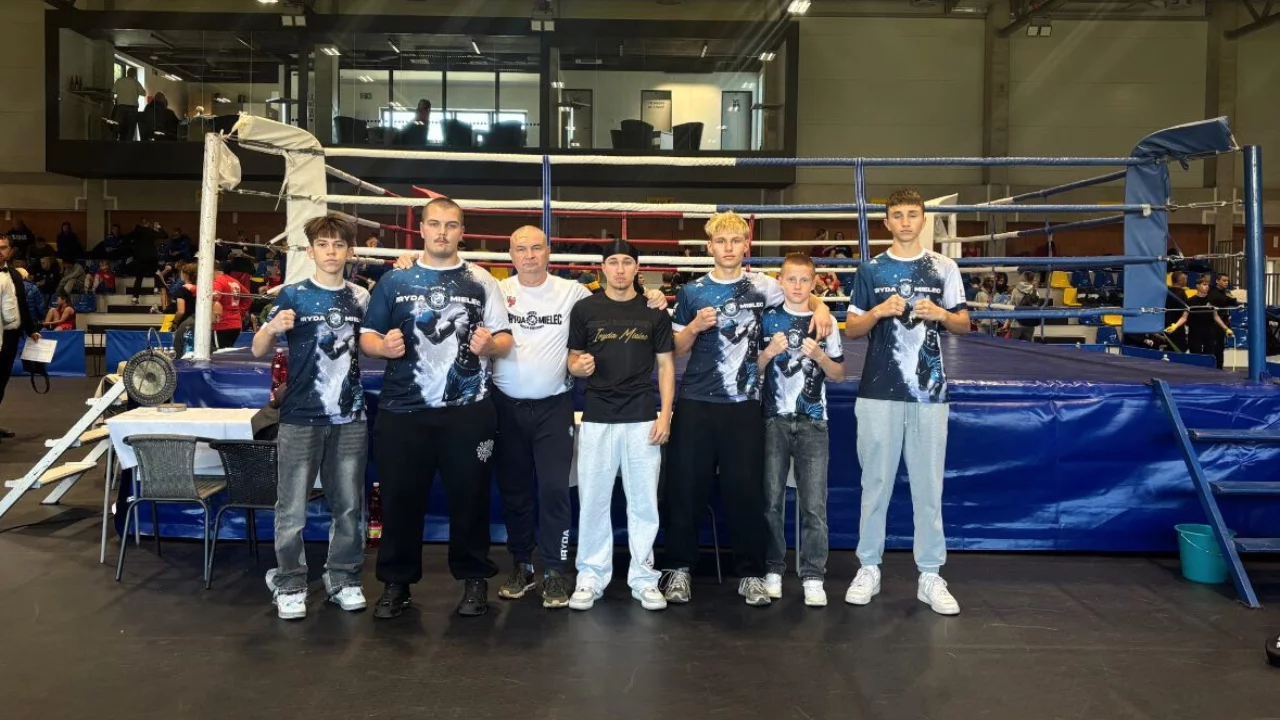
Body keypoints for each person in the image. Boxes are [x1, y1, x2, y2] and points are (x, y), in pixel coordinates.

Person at [456, 226, 671, 608]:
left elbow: (619, 301)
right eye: (521, 249)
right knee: (515, 491)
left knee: (556, 490)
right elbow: (457, 272)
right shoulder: (495, 290)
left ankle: (555, 570)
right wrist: (408, 260)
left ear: (548, 252)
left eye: (536, 248)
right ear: (511, 254)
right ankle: (522, 565)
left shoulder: (573, 293)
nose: (529, 256)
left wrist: (652, 296)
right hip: (506, 404)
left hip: (555, 406)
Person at [663, 210, 834, 607]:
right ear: (709, 247)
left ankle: (751, 573)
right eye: (721, 241)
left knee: (746, 491)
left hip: (744, 404)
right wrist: (694, 328)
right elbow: (675, 349)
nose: (728, 248)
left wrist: (822, 307)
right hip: (697, 401)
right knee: (685, 489)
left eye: (735, 241)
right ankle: (679, 569)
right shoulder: (692, 291)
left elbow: (800, 293)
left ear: (746, 246)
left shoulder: (764, 286)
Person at [359, 197, 513, 620]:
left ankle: (475, 578)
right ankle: (396, 583)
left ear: (462, 231)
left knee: (471, 497)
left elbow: (505, 339)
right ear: (422, 229)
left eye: (451, 225)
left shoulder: (482, 280)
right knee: (400, 499)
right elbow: (367, 336)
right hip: (403, 409)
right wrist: (382, 347)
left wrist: (490, 345)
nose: (442, 232)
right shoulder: (395, 281)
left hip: (467, 408)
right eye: (435, 224)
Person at [842, 188, 970, 616]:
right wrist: (878, 311)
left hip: (929, 392)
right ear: (886, 222)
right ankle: (869, 566)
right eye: (897, 215)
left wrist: (942, 315)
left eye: (912, 214)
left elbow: (964, 323)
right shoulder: (870, 269)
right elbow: (852, 328)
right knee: (875, 483)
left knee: (928, 486)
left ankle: (930, 573)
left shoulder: (944, 267)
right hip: (878, 392)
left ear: (923, 219)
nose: (905, 222)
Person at [251, 215, 370, 620]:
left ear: (350, 252)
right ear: (311, 250)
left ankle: (343, 577)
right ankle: (289, 582)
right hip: (301, 416)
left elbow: (375, 339)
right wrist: (272, 327)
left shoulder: (361, 297)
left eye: (339, 244)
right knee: (292, 508)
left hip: (349, 416)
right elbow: (258, 349)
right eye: (323, 244)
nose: (331, 251)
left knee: (349, 505)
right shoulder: (293, 295)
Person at [566, 239, 675, 611]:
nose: (619, 268)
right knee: (593, 501)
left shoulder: (653, 311)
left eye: (626, 262)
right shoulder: (585, 309)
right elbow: (572, 359)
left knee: (643, 503)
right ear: (602, 268)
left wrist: (665, 414)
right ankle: (590, 576)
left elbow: (666, 365)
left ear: (636, 268)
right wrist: (577, 367)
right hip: (597, 416)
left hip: (642, 417)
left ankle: (644, 578)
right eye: (612, 262)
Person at [758, 253, 845, 607]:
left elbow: (838, 374)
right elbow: (751, 370)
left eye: (804, 280)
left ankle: (813, 575)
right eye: (790, 279)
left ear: (814, 283)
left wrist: (820, 358)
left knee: (813, 504)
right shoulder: (767, 318)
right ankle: (773, 569)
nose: (797, 286)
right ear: (780, 281)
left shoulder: (825, 322)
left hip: (813, 421)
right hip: (773, 418)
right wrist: (768, 352)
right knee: (771, 501)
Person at [0, 236, 40, 440]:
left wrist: (31, 330)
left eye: (3, 248)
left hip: (10, 336)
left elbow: (22, 305)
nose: (0, 251)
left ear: (10, 250)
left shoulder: (15, 275)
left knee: (1, 382)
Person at [1166, 275, 1232, 363]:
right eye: (1204, 284)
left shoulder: (1212, 301)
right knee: (1195, 357)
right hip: (1195, 333)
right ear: (1197, 286)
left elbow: (1216, 316)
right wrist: (1175, 326)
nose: (1207, 287)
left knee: (1209, 357)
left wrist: (1226, 328)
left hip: (1209, 333)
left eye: (1208, 285)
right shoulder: (1190, 301)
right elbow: (1184, 317)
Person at [211, 261, 247, 348]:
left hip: (222, 323)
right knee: (228, 352)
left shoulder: (217, 282)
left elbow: (215, 298)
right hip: (236, 323)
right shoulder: (235, 281)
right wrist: (240, 311)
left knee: (219, 352)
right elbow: (248, 297)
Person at [1208, 273, 1239, 370]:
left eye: (1227, 281)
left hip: (1223, 321)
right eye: (1224, 280)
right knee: (1215, 347)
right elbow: (1224, 300)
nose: (1226, 282)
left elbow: (1229, 300)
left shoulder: (1223, 292)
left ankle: (1219, 367)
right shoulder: (1213, 292)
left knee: (1220, 347)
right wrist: (1236, 299)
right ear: (1217, 281)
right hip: (1214, 323)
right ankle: (1214, 367)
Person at [111, 67, 145, 142]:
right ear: (134, 75)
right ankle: (127, 145)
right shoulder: (136, 83)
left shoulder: (119, 81)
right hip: (132, 109)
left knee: (117, 127)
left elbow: (113, 91)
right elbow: (144, 93)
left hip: (121, 108)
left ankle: (114, 143)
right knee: (130, 129)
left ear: (127, 73)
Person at [1164, 271, 1189, 351]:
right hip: (1177, 327)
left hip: (1165, 326)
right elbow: (1185, 314)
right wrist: (1175, 326)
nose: (1186, 281)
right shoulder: (1182, 294)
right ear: (1180, 281)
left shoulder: (1165, 292)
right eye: (1185, 279)